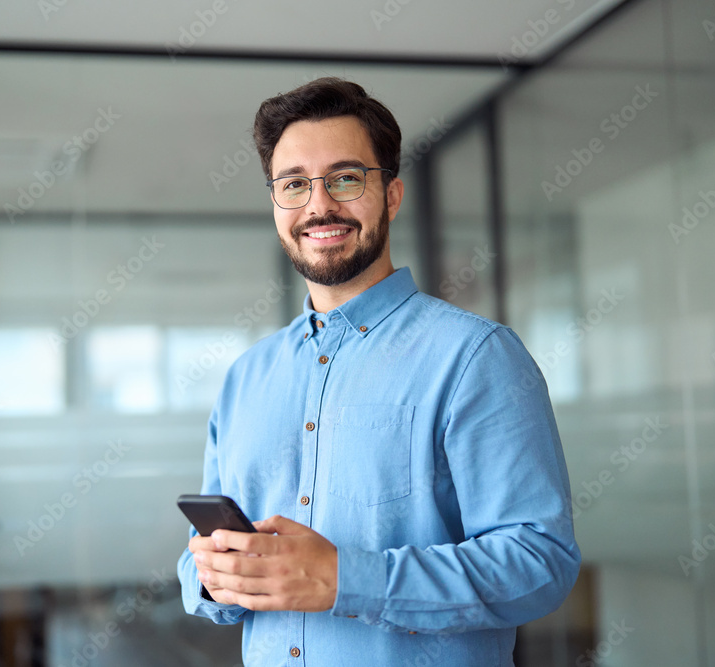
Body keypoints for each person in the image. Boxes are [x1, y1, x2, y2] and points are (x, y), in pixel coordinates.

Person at [177, 77, 580, 666]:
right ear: (276, 205)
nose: (319, 205)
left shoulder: (476, 357)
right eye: (294, 185)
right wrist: (214, 575)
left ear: (390, 195)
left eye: (345, 178)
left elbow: (539, 562)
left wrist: (346, 578)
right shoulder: (246, 377)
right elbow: (198, 560)